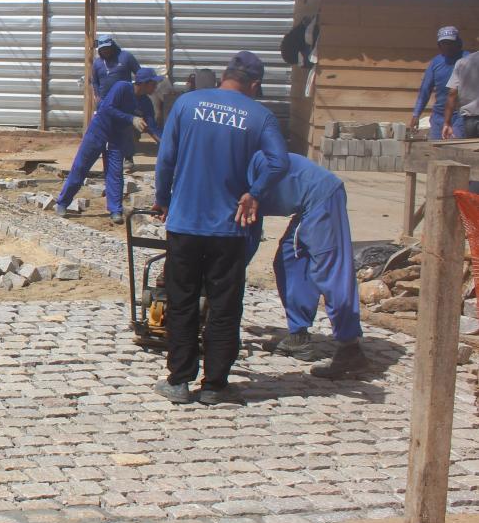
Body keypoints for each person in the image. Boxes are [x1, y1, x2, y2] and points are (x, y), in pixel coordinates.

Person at [154, 51, 289, 405]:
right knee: (224, 304)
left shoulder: (187, 103)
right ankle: (215, 385)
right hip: (230, 228)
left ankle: (179, 381)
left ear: (225, 76)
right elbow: (279, 162)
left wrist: (163, 198)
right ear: (255, 85)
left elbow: (166, 158)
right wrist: (254, 192)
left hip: (184, 223)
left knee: (182, 301)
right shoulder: (260, 116)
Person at [245, 152, 365, 379]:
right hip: (305, 204)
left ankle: (350, 347)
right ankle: (299, 336)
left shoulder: (241, 175)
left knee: (331, 270)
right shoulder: (233, 171)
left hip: (322, 195)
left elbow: (248, 237)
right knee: (289, 260)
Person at [55, 67, 162, 224]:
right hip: (98, 132)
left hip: (117, 137)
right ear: (145, 83)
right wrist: (130, 118)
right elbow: (106, 108)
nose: (156, 87)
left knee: (115, 173)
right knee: (81, 167)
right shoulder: (122, 87)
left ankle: (115, 210)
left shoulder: (145, 102)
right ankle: (63, 202)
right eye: (154, 83)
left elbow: (152, 127)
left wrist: (165, 143)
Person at [413, 26, 465, 140]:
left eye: (450, 43)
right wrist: (416, 114)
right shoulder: (436, 63)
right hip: (438, 116)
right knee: (435, 151)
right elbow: (425, 90)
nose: (447, 47)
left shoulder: (468, 60)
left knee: (456, 150)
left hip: (461, 116)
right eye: (444, 43)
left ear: (458, 43)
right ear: (439, 46)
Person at [441, 27, 479, 139]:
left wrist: (447, 123)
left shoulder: (462, 63)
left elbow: (452, 93)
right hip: (470, 118)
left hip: (470, 120)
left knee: (472, 154)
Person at [90, 33, 142, 99]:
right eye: (102, 49)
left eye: (107, 48)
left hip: (124, 101)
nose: (105, 51)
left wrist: (136, 91)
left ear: (112, 46)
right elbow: (95, 81)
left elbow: (140, 74)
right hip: (104, 103)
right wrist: (97, 97)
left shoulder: (126, 57)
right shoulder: (97, 63)